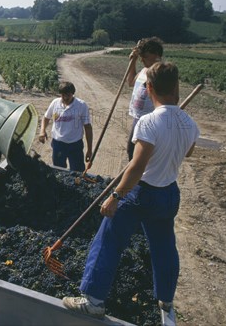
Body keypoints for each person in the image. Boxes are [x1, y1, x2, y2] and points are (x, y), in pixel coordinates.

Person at [62, 62, 199, 326]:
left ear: (149, 89)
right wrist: (175, 132)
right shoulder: (189, 123)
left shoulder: (148, 122)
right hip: (169, 194)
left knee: (108, 239)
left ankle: (93, 300)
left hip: (142, 194)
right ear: (177, 87)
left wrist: (115, 195)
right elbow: (188, 152)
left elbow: (137, 166)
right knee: (164, 247)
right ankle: (166, 303)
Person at [38, 81, 93, 172]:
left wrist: (90, 150)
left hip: (75, 145)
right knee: (59, 171)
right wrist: (42, 131)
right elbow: (46, 117)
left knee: (77, 172)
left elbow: (88, 127)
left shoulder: (81, 105)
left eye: (68, 95)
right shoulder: (55, 103)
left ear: (73, 94)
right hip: (58, 145)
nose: (65, 97)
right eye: (63, 95)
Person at [126, 37, 163, 161]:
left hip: (150, 120)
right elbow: (131, 82)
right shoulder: (143, 71)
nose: (142, 59)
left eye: (145, 56)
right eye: (140, 56)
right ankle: (136, 178)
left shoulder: (160, 73)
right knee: (131, 150)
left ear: (156, 56)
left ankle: (140, 178)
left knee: (141, 155)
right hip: (138, 118)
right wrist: (133, 61)